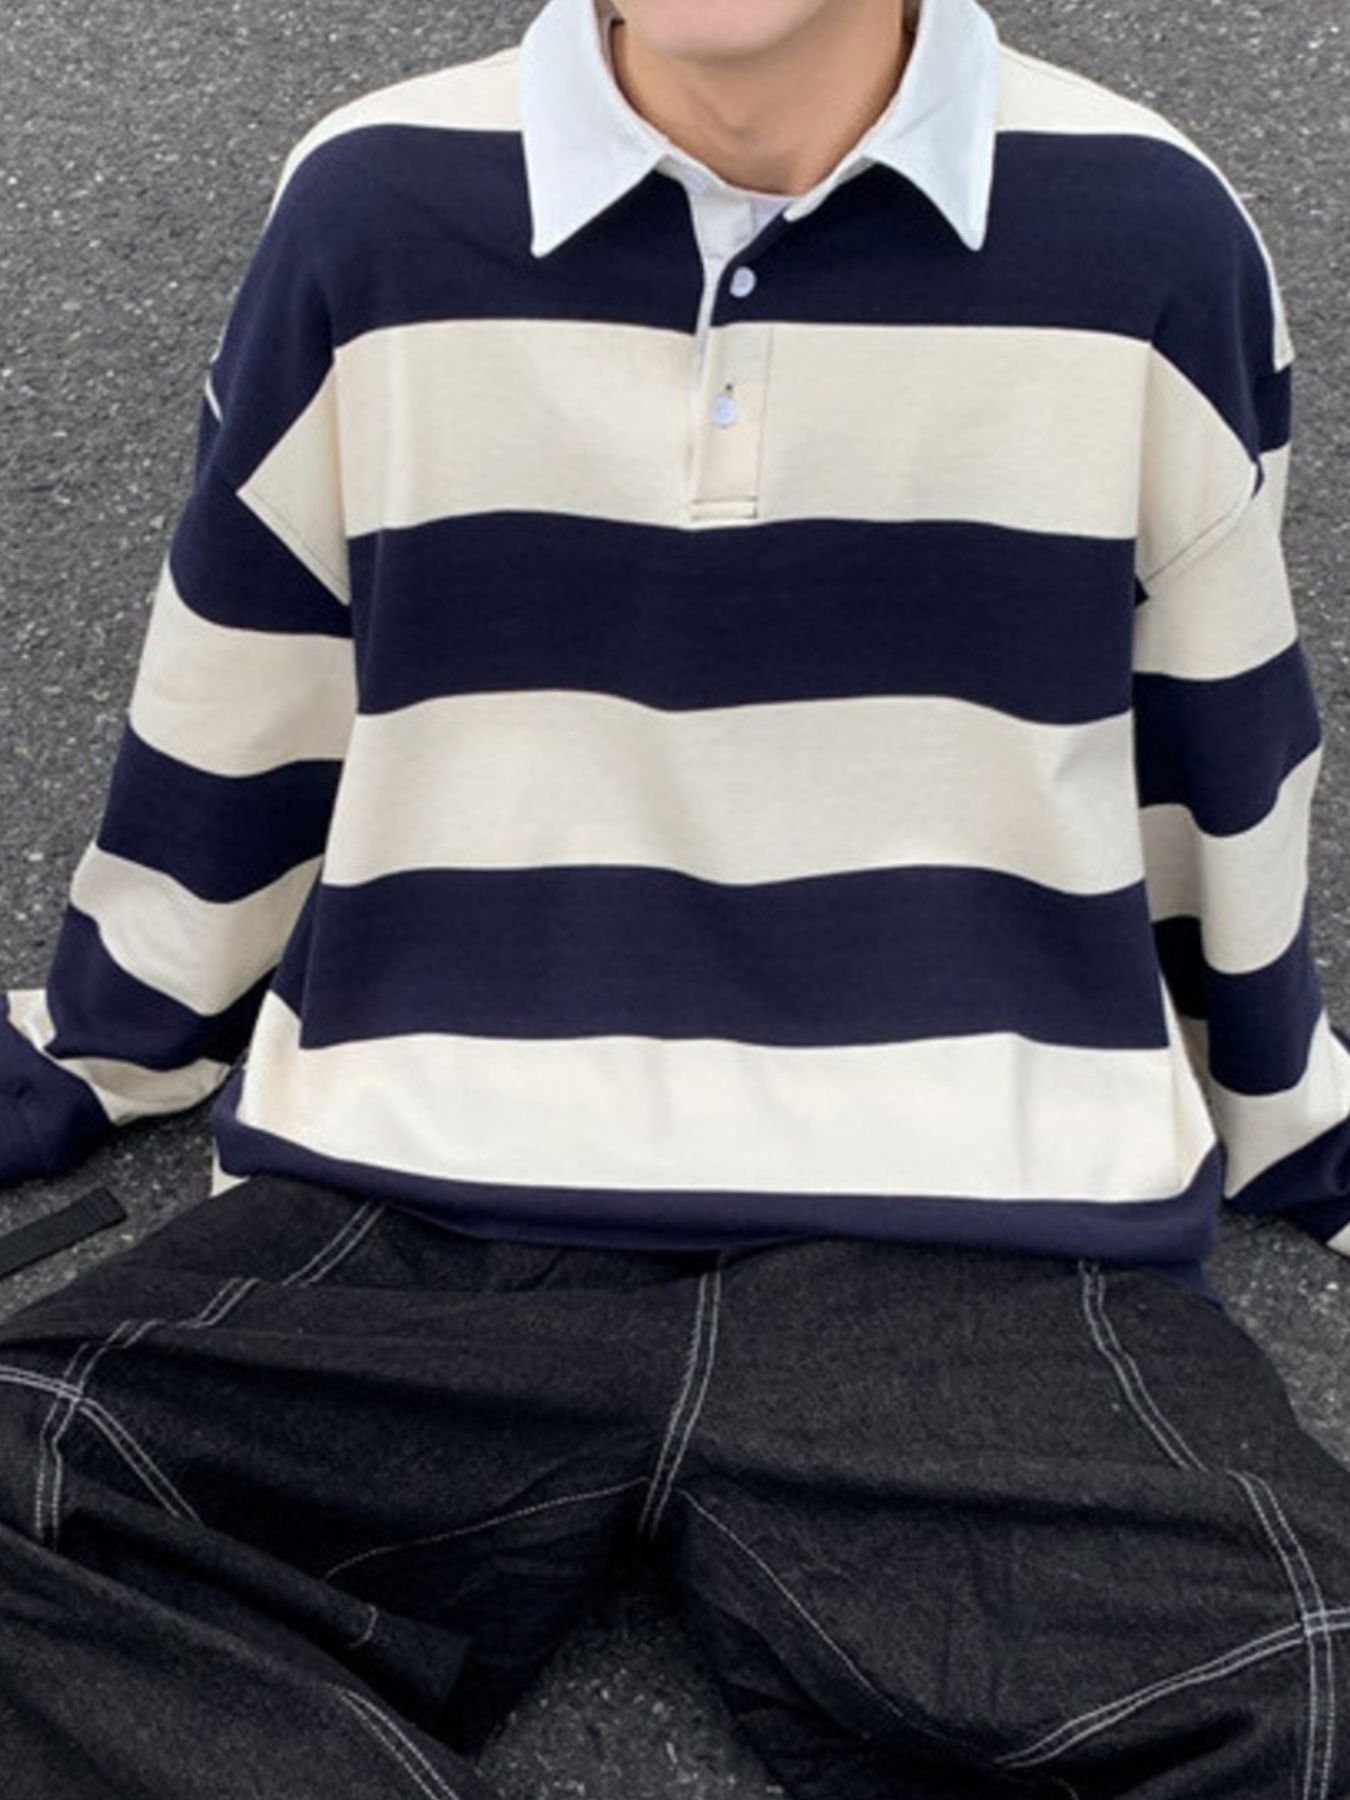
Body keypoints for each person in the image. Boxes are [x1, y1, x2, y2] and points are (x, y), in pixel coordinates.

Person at [1, 0, 1348, 1792]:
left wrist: (1279, 1096)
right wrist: (110, 1033)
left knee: (1312, 1691)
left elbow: (1214, 718)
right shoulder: (376, 198)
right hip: (424, 1178)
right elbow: (254, 668)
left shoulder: (1147, 220)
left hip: (977, 1211)